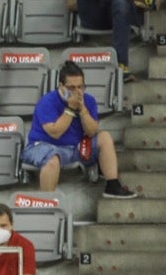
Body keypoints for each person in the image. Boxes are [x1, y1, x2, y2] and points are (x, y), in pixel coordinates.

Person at [23, 61, 137, 197]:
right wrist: (70, 109)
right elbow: (55, 132)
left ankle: (112, 185)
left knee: (104, 137)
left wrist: (83, 111)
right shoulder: (47, 101)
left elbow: (92, 131)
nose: (77, 92)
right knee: (52, 159)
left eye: (80, 87)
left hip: (74, 147)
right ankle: (47, 203)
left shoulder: (88, 100)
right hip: (43, 146)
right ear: (60, 86)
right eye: (71, 87)